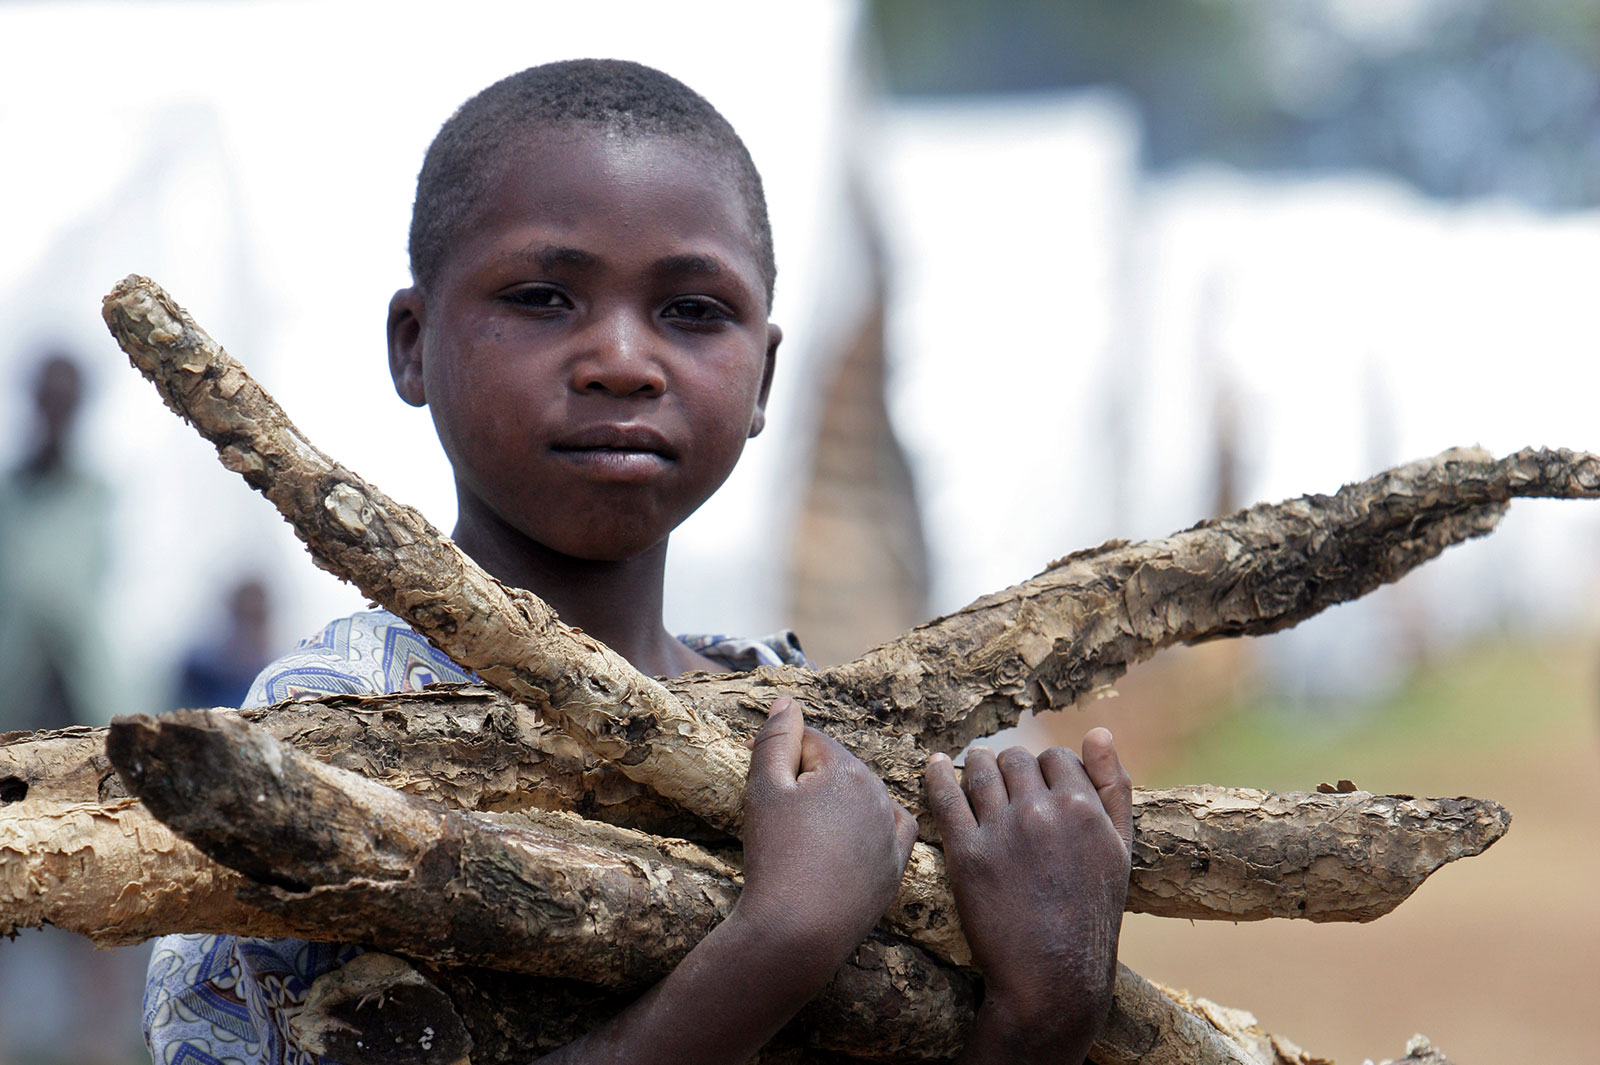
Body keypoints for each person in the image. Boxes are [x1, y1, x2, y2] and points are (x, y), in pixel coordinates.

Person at [142, 59, 1134, 1065]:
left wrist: (1045, 1009)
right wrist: (779, 939)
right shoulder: (324, 730)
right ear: (413, 342)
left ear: (763, 378)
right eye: (542, 297)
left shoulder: (823, 744)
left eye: (692, 311)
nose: (621, 360)